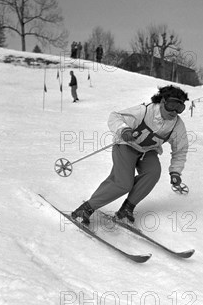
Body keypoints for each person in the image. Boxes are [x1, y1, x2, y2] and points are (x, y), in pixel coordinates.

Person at [72, 85, 190, 225]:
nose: (175, 112)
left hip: (147, 151)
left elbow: (180, 149)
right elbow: (115, 117)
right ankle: (85, 209)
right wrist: (124, 130)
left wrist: (175, 171)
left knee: (153, 173)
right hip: (126, 145)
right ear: (163, 101)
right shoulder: (145, 111)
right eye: (172, 105)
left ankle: (126, 209)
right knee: (123, 183)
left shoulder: (177, 125)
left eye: (180, 108)